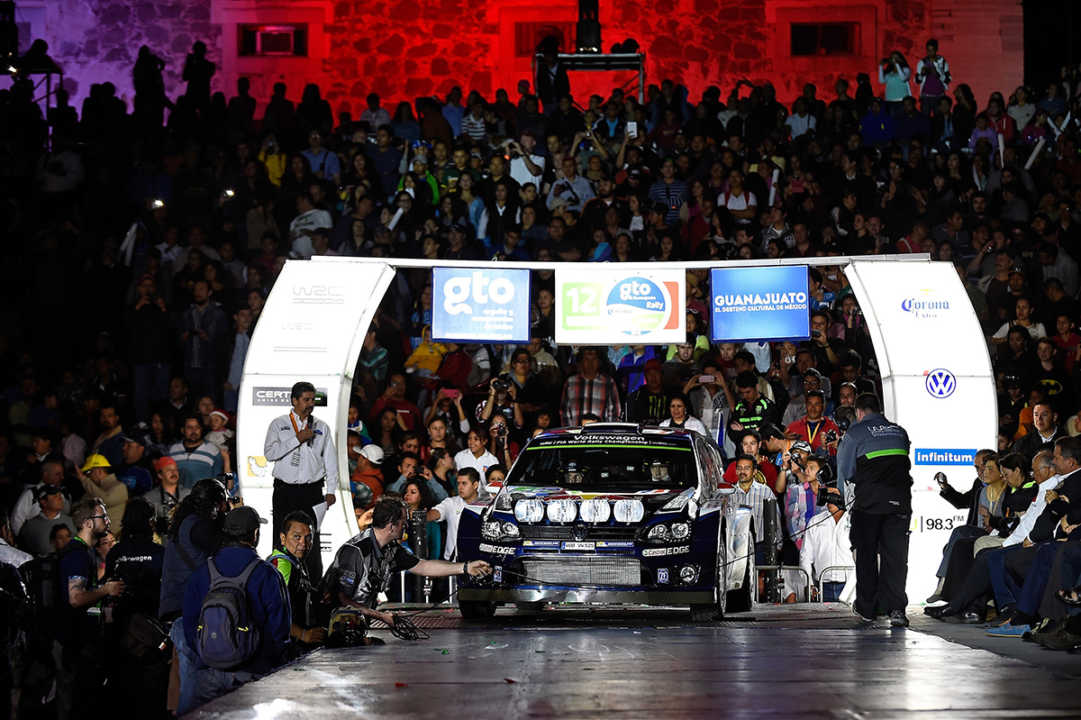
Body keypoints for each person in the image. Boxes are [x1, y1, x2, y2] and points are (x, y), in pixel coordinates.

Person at [323, 496, 491, 632]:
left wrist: (465, 567)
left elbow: (423, 566)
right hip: (332, 626)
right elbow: (341, 599)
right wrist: (381, 616)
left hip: (358, 624)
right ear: (391, 526)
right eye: (403, 521)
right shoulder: (356, 552)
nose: (407, 525)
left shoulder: (391, 549)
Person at [182, 506, 289, 712]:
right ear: (255, 534)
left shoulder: (202, 572)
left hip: (208, 676)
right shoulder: (268, 574)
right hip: (252, 677)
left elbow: (189, 626)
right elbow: (280, 632)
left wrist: (213, 657)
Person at [836, 393, 913, 627]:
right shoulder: (900, 432)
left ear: (859, 412)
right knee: (896, 558)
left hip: (868, 504)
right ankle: (897, 609)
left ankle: (868, 608)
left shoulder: (855, 433)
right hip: (900, 503)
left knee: (867, 556)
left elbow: (847, 472)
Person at [55, 497, 126, 720]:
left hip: (83, 639)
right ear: (87, 523)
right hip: (74, 641)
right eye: (101, 516)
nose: (106, 520)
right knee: (77, 701)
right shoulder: (77, 554)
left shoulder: (86, 552)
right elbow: (75, 598)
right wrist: (106, 590)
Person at [263, 381, 340, 581]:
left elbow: (330, 460)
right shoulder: (279, 424)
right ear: (294, 400)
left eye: (312, 399)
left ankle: (313, 585)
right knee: (282, 535)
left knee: (310, 538)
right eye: (305, 399)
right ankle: (280, 581)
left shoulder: (321, 427)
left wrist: (331, 489)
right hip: (285, 490)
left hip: (312, 490)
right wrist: (297, 439)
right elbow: (269, 454)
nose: (310, 404)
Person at [268, 511, 326, 649]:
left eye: (308, 538)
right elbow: (273, 612)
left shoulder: (296, 560)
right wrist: (303, 634)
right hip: (282, 650)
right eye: (297, 537)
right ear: (283, 538)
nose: (303, 544)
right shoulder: (282, 564)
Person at [799, 486, 855, 602]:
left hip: (850, 586)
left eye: (834, 494)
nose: (829, 499)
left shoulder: (854, 520)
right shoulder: (815, 521)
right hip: (823, 586)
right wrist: (809, 584)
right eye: (827, 494)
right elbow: (805, 556)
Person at [560, 348, 622, 426]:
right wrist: (569, 433)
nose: (590, 363)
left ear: (599, 362)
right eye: (586, 359)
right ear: (581, 362)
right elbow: (564, 412)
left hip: (600, 435)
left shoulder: (608, 382)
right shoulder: (570, 382)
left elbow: (615, 411)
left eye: (594, 359)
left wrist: (608, 432)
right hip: (575, 434)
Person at [168, 414, 225, 489]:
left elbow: (219, 481)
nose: (194, 431)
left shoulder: (213, 450)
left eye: (197, 427)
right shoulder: (173, 450)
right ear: (182, 430)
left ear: (201, 429)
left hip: (205, 498)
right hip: (180, 498)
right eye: (189, 427)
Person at [18, 484, 74, 557]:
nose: (60, 498)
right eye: (55, 496)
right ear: (43, 502)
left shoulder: (71, 521)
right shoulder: (30, 526)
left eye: (60, 495)